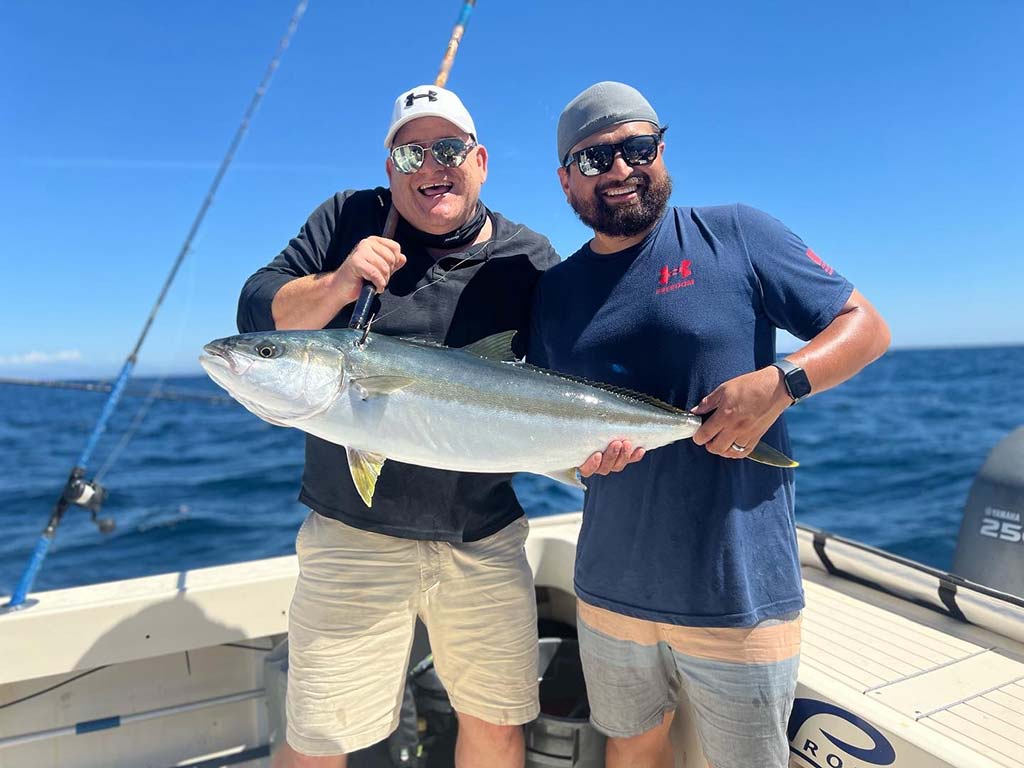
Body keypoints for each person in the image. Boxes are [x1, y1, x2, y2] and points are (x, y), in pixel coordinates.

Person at [529, 81, 891, 768]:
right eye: (593, 159)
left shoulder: (737, 234)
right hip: (608, 586)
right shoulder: (554, 291)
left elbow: (865, 327)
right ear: (564, 179)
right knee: (631, 751)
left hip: (739, 589)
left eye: (637, 148)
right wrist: (582, 461)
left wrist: (783, 381)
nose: (620, 170)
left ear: (661, 149)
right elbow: (560, 422)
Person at [237, 85, 587, 768]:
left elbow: (575, 374)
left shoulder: (528, 256)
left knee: (496, 724)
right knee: (319, 737)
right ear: (391, 165)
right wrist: (338, 283)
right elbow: (256, 310)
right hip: (351, 532)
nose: (433, 166)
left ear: (480, 160)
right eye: (412, 152)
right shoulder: (349, 217)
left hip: (481, 535)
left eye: (450, 148)